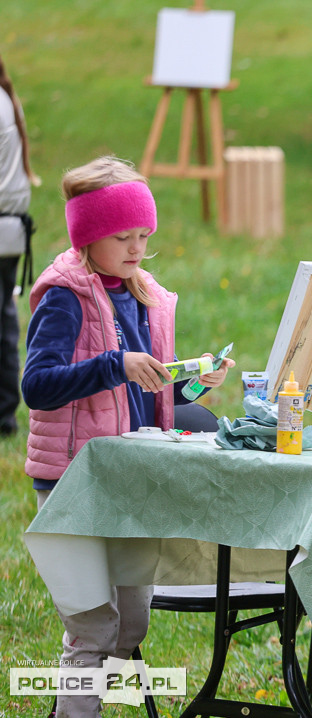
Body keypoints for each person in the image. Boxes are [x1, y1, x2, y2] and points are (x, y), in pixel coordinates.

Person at [22, 156, 235, 718]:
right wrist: (115, 364)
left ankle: (83, 705)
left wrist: (190, 386)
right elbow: (38, 387)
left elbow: (147, 395)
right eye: (123, 236)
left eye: (144, 234)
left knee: (132, 620)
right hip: (74, 480)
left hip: (131, 476)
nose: (137, 247)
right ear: (88, 235)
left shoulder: (141, 293)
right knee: (93, 624)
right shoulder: (64, 296)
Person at [0, 52, 37, 436]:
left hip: (4, 225)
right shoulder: (5, 97)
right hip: (9, 232)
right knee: (4, 322)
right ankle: (5, 414)